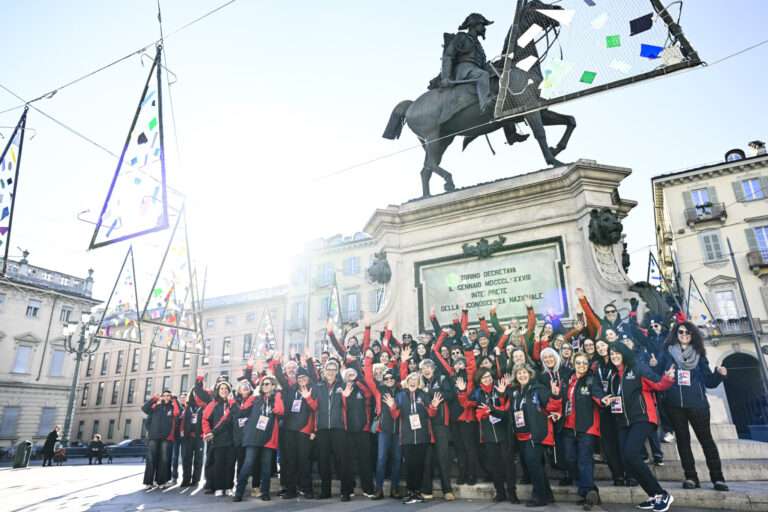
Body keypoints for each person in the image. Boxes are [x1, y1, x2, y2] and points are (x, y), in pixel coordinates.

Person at [657, 321, 729, 491]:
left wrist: (719, 375)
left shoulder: (699, 355)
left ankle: (718, 478)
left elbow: (709, 382)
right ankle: (691, 477)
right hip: (675, 405)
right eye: (680, 332)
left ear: (692, 336)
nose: (684, 335)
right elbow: (658, 377)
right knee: (683, 442)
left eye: (687, 333)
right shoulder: (666, 354)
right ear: (675, 333)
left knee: (707, 441)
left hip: (698, 405)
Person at [606, 342, 675, 512]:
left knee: (631, 454)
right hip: (624, 421)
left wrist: (668, 378)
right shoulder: (614, 376)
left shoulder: (637, 368)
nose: (614, 356)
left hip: (643, 418)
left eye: (617, 353)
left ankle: (661, 494)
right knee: (627, 460)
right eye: (611, 353)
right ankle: (653, 495)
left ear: (623, 353)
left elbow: (658, 384)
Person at [460, 370, 519, 504]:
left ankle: (512, 492)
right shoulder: (477, 393)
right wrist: (463, 391)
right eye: (483, 377)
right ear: (479, 380)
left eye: (488, 376)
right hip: (488, 435)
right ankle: (500, 492)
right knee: (494, 465)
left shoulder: (500, 387)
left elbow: (506, 408)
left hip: (504, 433)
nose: (487, 379)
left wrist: (502, 394)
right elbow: (468, 405)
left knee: (508, 465)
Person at [507, 363, 561, 507]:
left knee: (534, 466)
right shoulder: (515, 392)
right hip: (521, 436)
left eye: (524, 373)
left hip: (535, 434)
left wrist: (555, 395)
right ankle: (547, 495)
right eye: (519, 374)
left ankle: (539, 497)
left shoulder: (538, 389)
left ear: (530, 374)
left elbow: (551, 406)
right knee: (536, 466)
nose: (522, 375)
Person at [390, 371, 439, 504]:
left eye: (416, 379)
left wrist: (434, 406)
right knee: (410, 465)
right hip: (406, 436)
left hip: (423, 436)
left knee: (420, 465)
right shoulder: (400, 395)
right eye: (411, 379)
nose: (413, 381)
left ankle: (418, 492)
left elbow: (431, 413)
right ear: (407, 381)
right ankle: (410, 491)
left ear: (419, 383)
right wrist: (392, 406)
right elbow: (395, 415)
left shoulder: (423, 395)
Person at [233, 375, 284, 502]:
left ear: (273, 385)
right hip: (253, 436)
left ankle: (265, 492)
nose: (265, 386)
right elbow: (243, 410)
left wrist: (276, 396)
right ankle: (239, 492)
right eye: (263, 384)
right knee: (248, 464)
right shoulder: (255, 398)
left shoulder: (276, 398)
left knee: (266, 466)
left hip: (269, 437)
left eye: (268, 384)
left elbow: (280, 411)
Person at [561, 352, 601, 510]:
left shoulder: (591, 379)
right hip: (568, 426)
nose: (582, 365)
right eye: (578, 362)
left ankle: (588, 494)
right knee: (570, 458)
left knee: (584, 459)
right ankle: (589, 488)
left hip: (587, 426)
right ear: (573, 363)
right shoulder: (567, 379)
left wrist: (603, 399)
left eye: (585, 363)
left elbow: (598, 394)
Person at [314, 358, 354, 501]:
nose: (330, 372)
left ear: (337, 372)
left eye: (333, 369)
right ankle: (326, 491)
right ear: (324, 371)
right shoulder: (318, 386)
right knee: (323, 461)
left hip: (339, 428)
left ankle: (345, 491)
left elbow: (350, 407)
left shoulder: (343, 385)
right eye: (328, 369)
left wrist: (347, 398)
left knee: (342, 460)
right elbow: (313, 407)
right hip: (323, 428)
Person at [202, 380, 236, 497]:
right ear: (218, 391)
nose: (224, 390)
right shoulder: (213, 404)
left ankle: (229, 487)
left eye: (226, 388)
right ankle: (219, 487)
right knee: (218, 464)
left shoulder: (233, 403)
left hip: (232, 439)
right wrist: (207, 432)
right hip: (217, 439)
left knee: (230, 464)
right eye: (221, 388)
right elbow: (205, 419)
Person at [142, 389, 180, 489]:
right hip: (153, 437)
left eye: (169, 396)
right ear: (162, 397)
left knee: (164, 460)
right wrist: (154, 399)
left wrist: (175, 400)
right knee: (151, 459)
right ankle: (148, 482)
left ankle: (161, 482)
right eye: (165, 395)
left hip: (166, 438)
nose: (166, 397)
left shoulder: (172, 408)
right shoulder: (156, 407)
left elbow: (179, 412)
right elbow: (145, 409)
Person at [180, 380, 207, 487]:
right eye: (194, 394)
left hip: (199, 437)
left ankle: (195, 480)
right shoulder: (188, 407)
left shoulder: (204, 407)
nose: (196, 396)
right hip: (188, 437)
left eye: (197, 394)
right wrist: (183, 431)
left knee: (198, 460)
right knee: (187, 459)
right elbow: (183, 421)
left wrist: (203, 433)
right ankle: (185, 479)